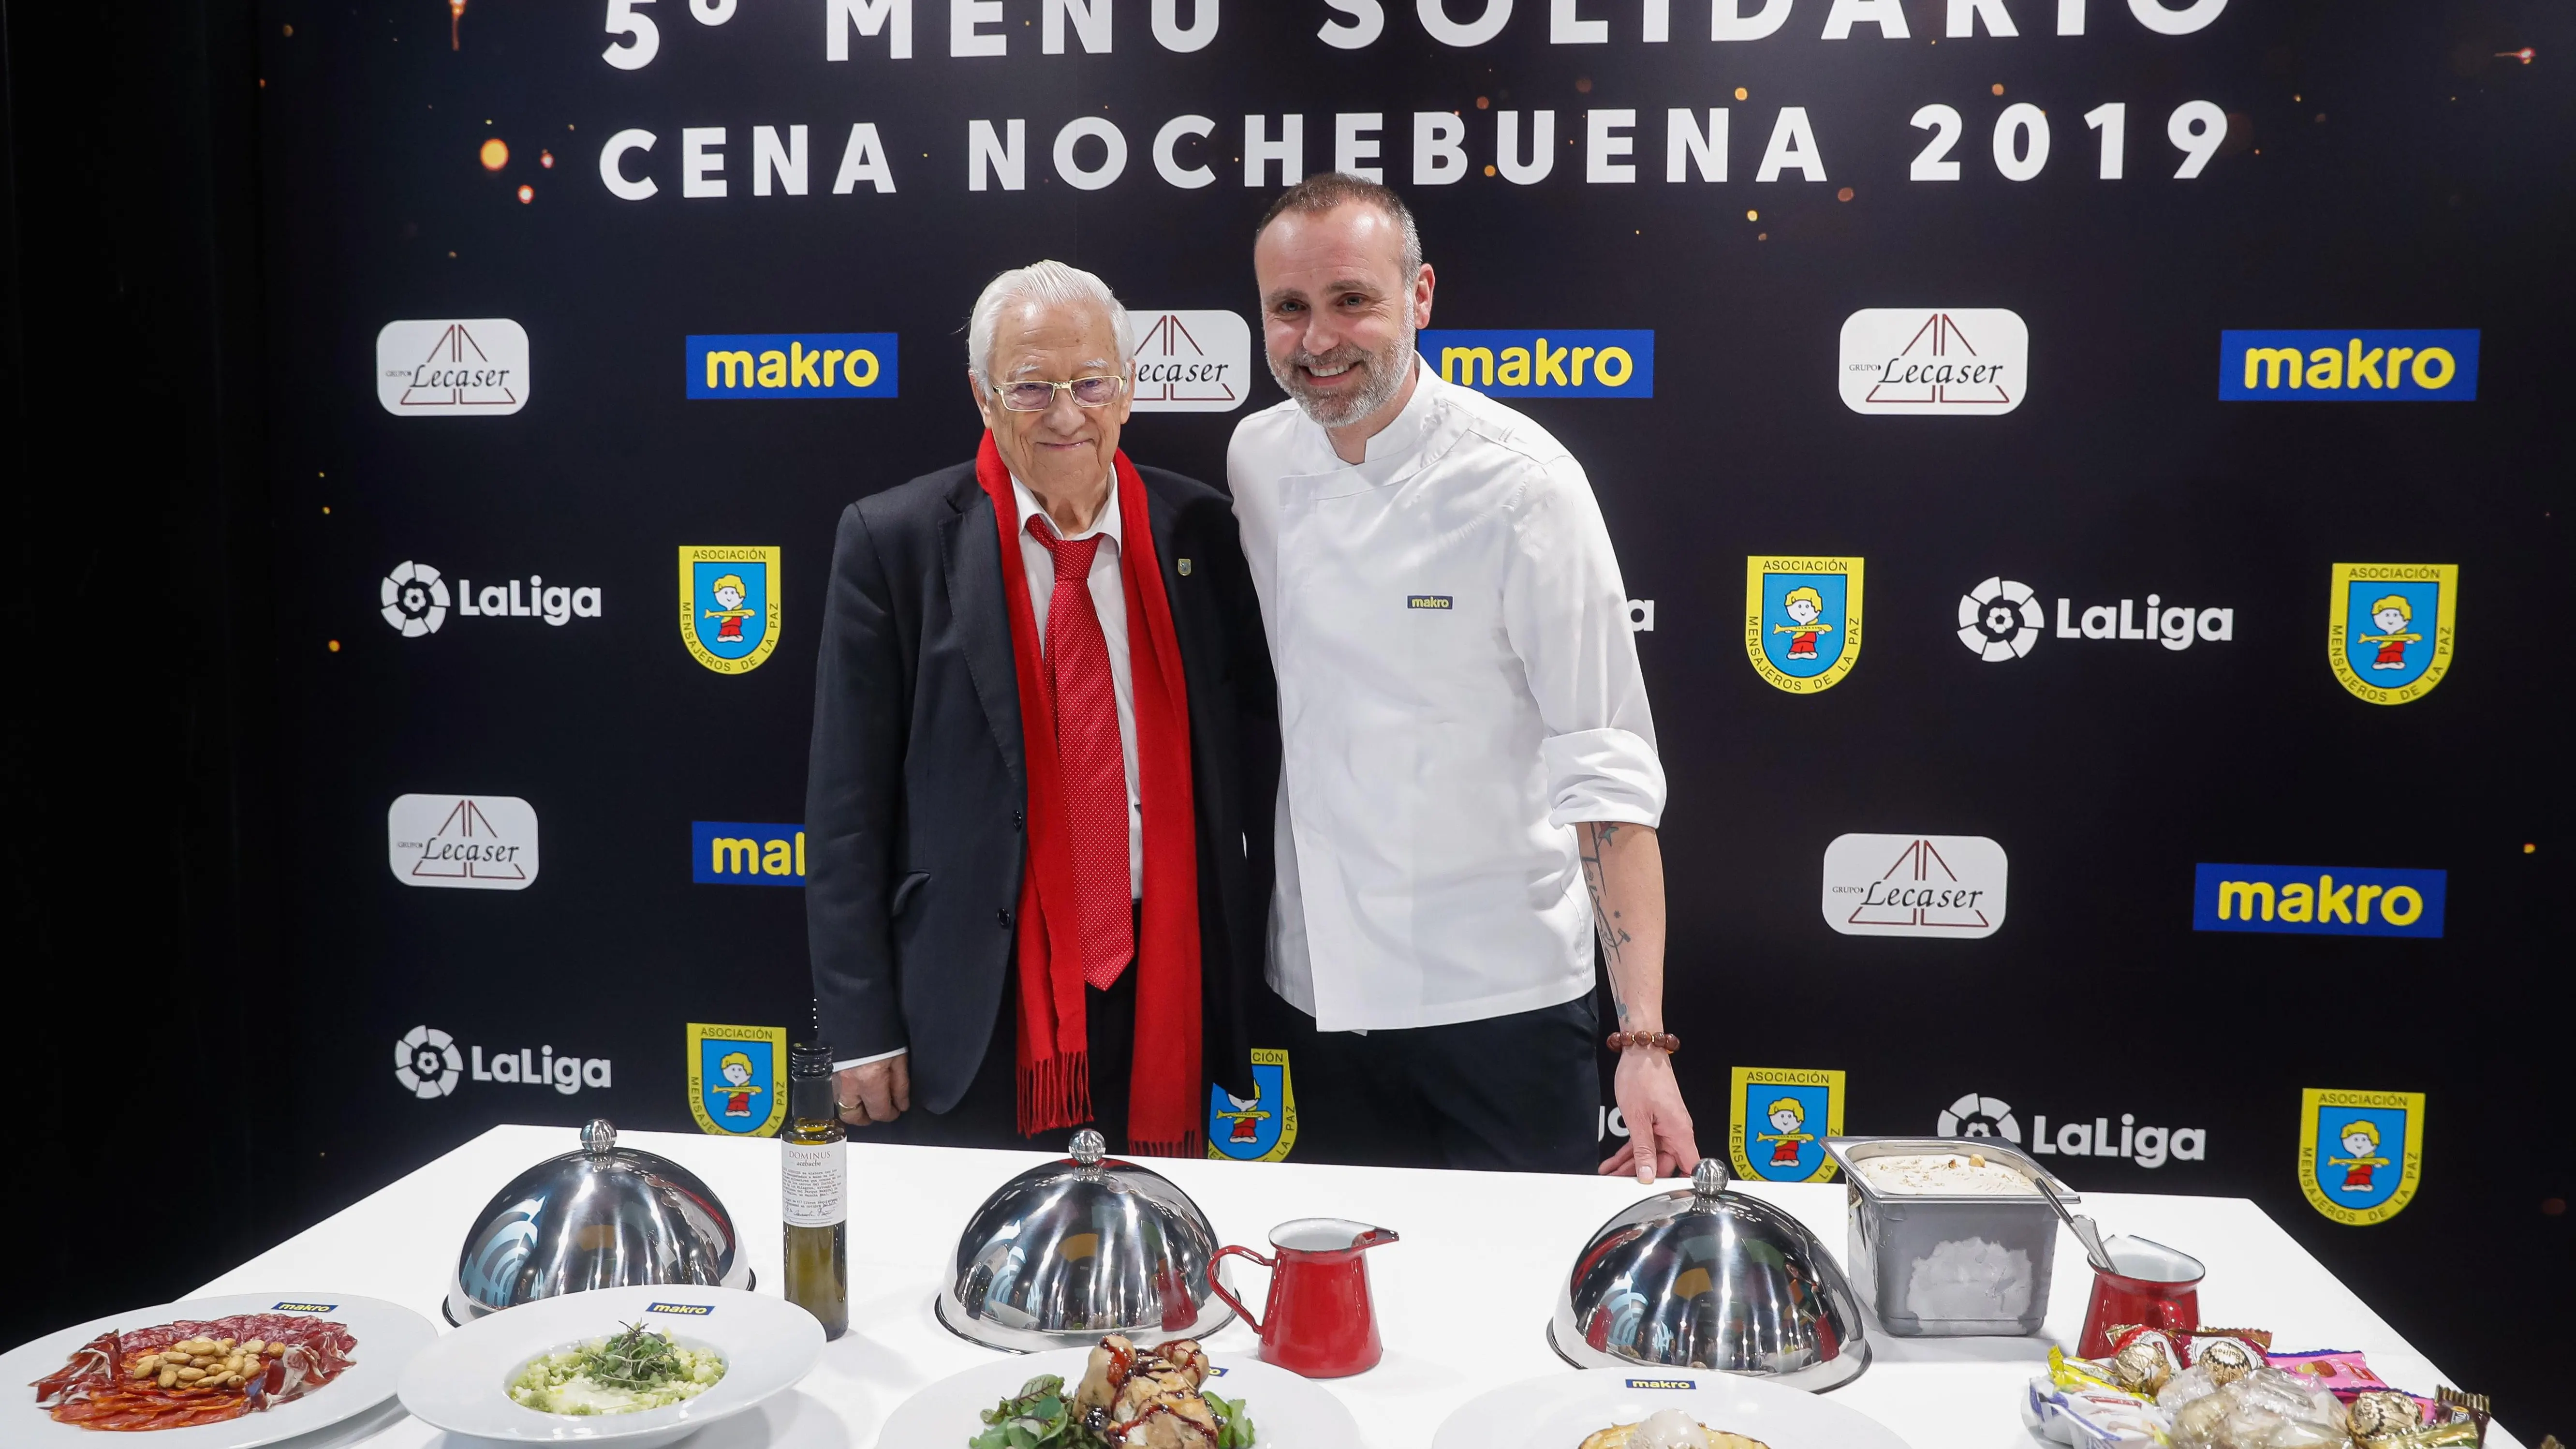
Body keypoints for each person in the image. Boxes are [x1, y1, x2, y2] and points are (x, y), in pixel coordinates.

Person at [1227, 173, 1697, 1180]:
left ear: (1420, 298)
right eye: (1288, 309)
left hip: (1503, 999)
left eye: (1352, 300)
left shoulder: (1523, 485)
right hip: (1324, 991)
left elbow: (1605, 773)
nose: (1318, 341)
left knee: (1503, 1310)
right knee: (1354, 1316)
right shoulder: (1257, 458)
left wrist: (1643, 1041)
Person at [805, 261, 1276, 1154]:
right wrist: (859, 1025)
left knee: (1150, 1263)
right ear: (983, 396)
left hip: (1163, 978)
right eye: (1031, 388)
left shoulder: (1199, 532)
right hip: (978, 999)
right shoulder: (894, 542)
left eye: (1092, 383)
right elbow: (843, 812)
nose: (1067, 414)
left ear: (1129, 390)